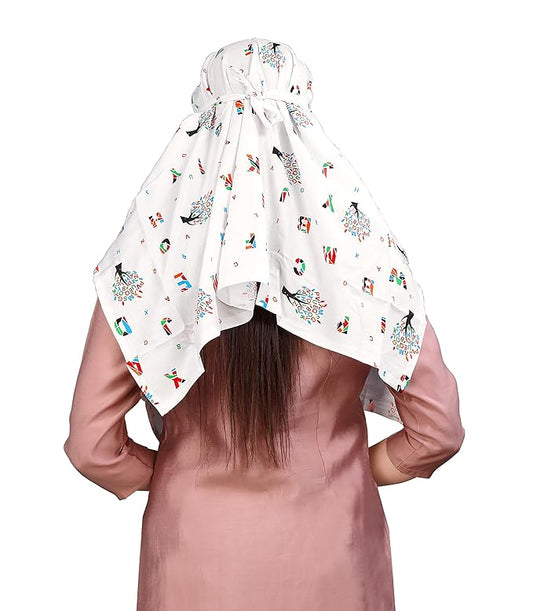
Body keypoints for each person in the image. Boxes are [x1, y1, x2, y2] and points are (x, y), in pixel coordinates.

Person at [64, 37, 465, 610]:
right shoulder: (367, 262)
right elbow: (439, 429)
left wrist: (173, 474)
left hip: (192, 563)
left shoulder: (147, 262)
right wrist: (354, 471)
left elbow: (91, 446)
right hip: (336, 560)